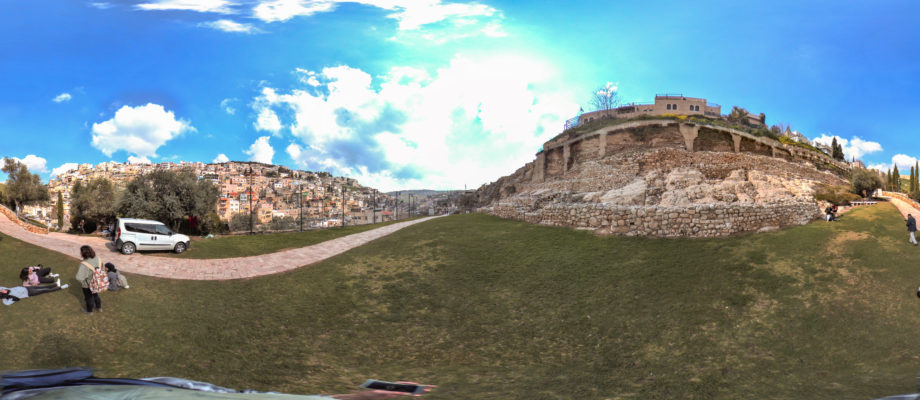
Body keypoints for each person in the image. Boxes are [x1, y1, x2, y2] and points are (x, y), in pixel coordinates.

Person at [75, 245, 103, 313]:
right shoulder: (98, 259)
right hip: (97, 282)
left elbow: (79, 277)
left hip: (87, 284)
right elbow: (103, 270)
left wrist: (84, 282)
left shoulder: (84, 264)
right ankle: (99, 308)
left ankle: (89, 311)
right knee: (95, 295)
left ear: (83, 253)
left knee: (88, 298)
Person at [1, 281, 69, 306]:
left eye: (2, 290)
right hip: (29, 293)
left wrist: (3, 293)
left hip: (27, 288)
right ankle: (61, 287)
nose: (3, 289)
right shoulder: (9, 298)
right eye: (3, 291)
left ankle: (56, 284)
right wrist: (6, 297)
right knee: (45, 290)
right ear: (4, 295)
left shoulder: (6, 289)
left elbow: (1, 287)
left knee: (42, 286)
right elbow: (7, 303)